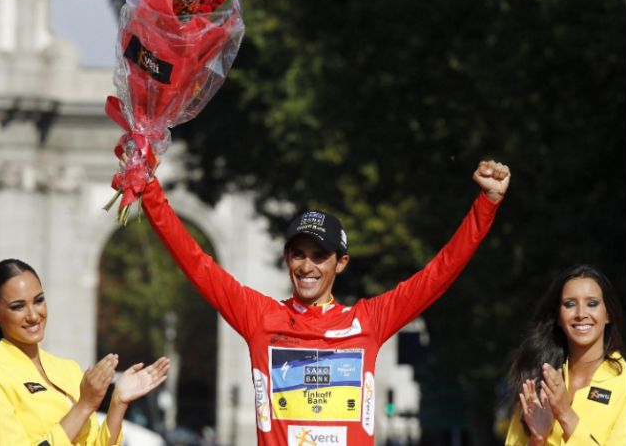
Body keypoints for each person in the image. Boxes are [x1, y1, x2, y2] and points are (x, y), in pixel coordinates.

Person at [137, 157, 509, 445]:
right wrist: (148, 187)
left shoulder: (369, 321)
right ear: (287, 258)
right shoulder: (259, 317)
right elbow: (195, 262)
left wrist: (486, 204)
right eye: (299, 254)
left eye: (319, 256)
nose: (307, 266)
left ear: (340, 263)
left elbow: (439, 273)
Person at [0, 259, 171, 446]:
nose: (33, 315)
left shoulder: (68, 369)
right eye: (18, 306)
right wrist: (85, 405)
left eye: (38, 301)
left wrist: (118, 402)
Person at [504, 264, 626, 446]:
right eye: (570, 304)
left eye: (592, 303)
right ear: (559, 317)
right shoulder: (536, 378)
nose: (581, 314)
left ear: (608, 314)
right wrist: (537, 439)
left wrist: (565, 414)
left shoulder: (623, 384)